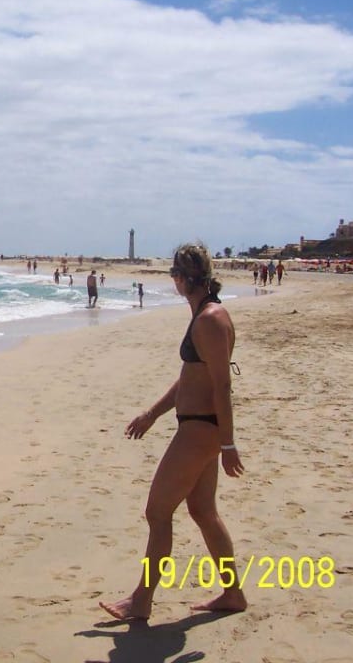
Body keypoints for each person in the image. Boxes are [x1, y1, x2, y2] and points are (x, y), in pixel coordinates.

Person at [100, 243, 247, 621]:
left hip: (201, 430)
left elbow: (222, 386)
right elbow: (188, 379)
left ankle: (142, 600)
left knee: (157, 512)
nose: (174, 282)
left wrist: (228, 443)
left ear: (184, 278)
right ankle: (233, 594)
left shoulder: (211, 319)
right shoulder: (202, 315)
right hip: (198, 427)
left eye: (175, 276)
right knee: (202, 510)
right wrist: (153, 413)